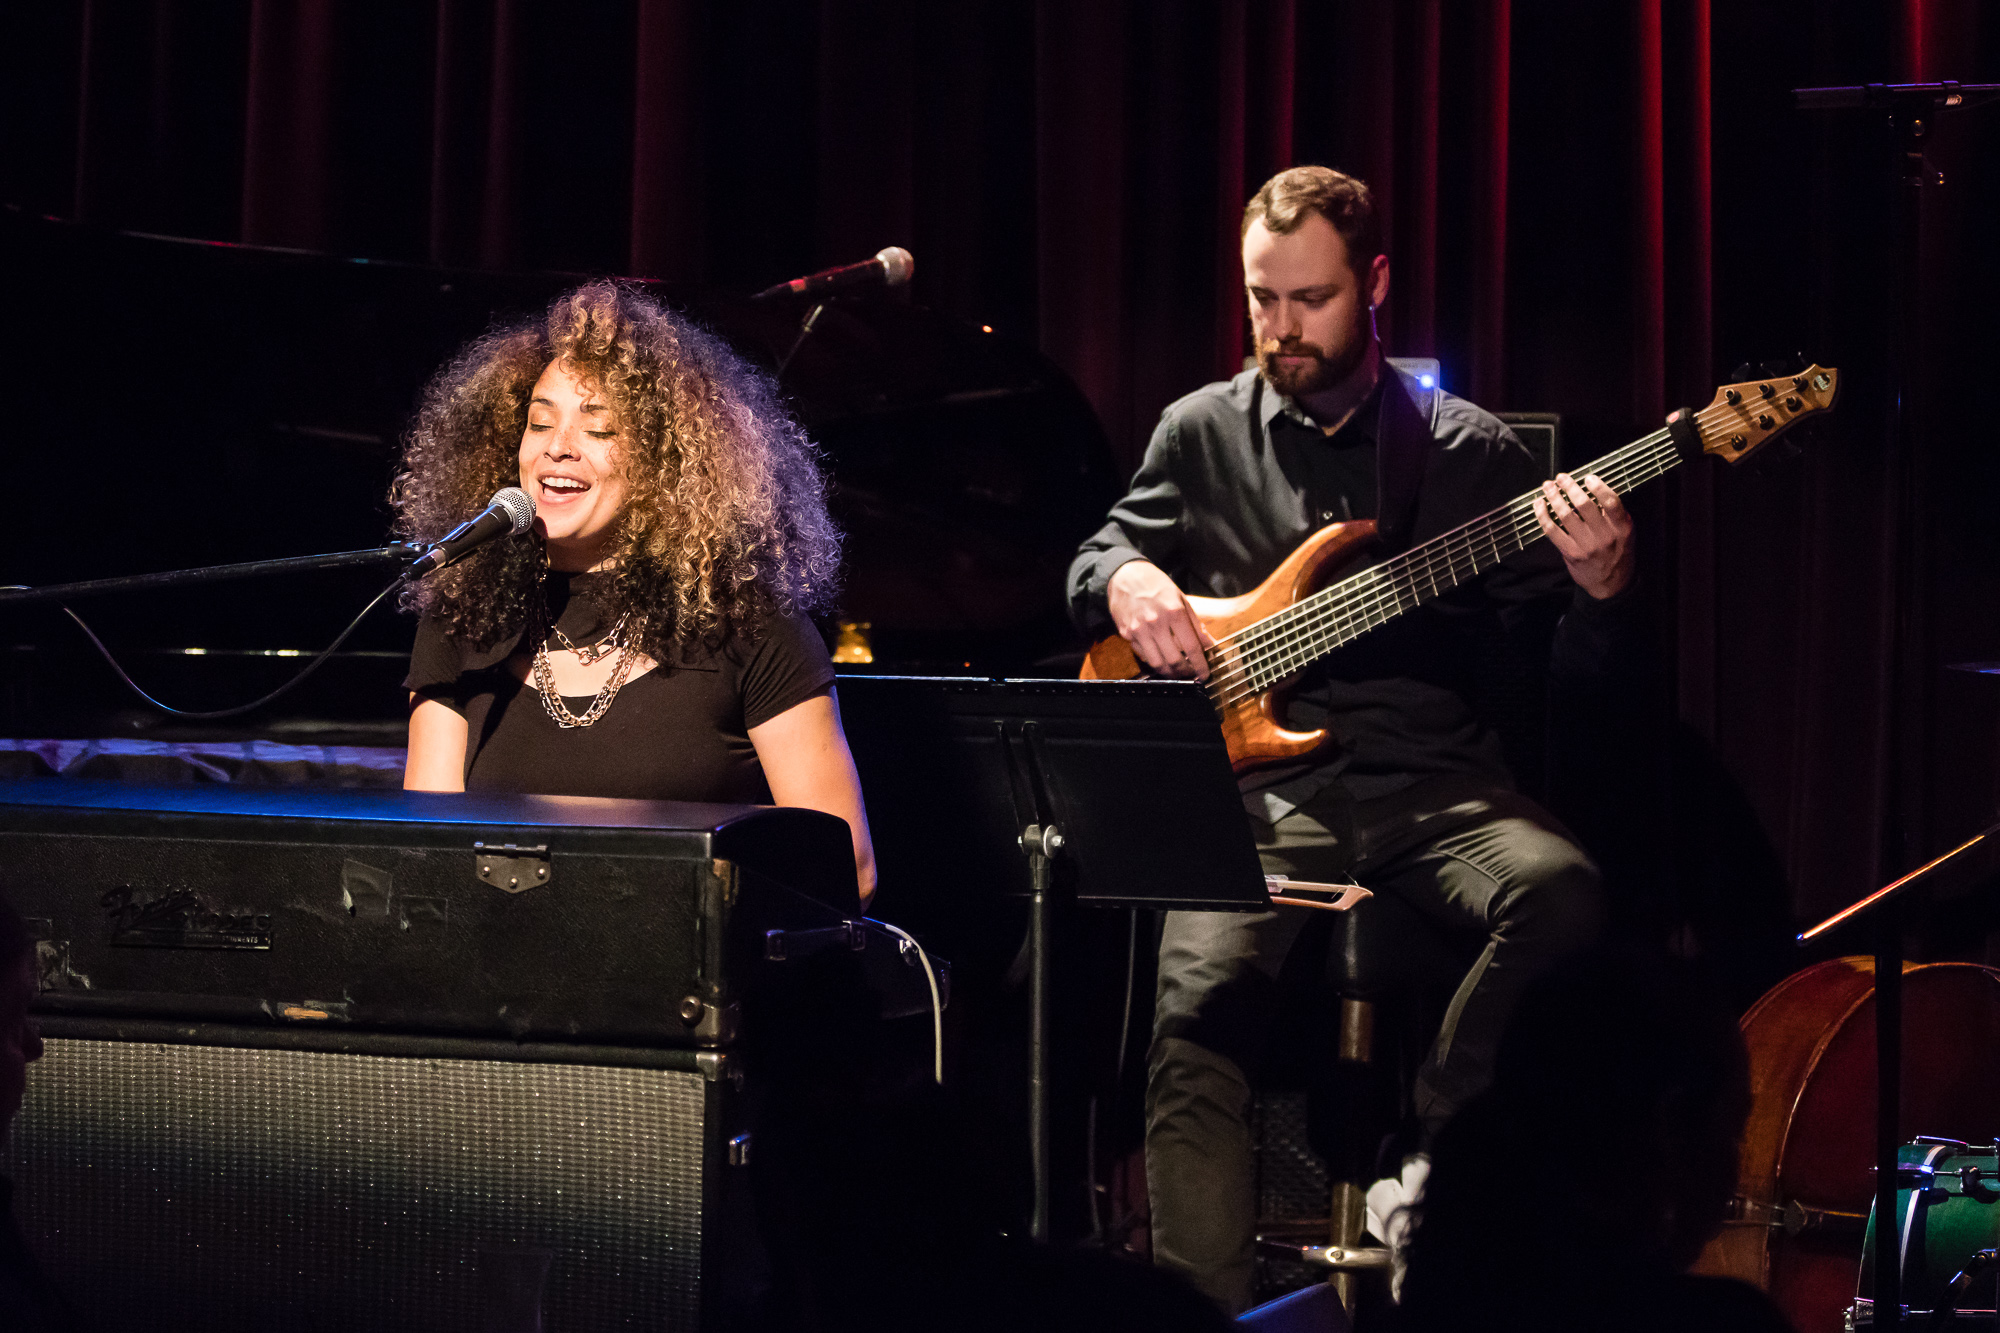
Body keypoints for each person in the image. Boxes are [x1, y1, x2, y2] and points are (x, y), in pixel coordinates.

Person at [1066, 165, 1644, 1314]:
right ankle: (1203, 1310)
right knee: (1191, 1020)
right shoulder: (1197, 432)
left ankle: (1434, 1156)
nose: (1279, 330)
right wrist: (1126, 579)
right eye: (1259, 300)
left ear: (1373, 282)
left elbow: (1576, 687)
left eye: (1309, 300)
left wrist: (1602, 588)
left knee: (1565, 894)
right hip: (1262, 801)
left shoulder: (1472, 456)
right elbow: (1093, 560)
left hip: (1434, 787)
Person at [397, 281, 876, 904]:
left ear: (664, 464)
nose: (556, 447)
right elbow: (422, 859)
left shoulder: (749, 624)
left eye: (599, 430)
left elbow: (845, 872)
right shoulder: (463, 616)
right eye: (539, 422)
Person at [1394, 948, 1791, 1333]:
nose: (1736, 1178)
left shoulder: (1447, 1301)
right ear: (1671, 1125)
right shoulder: (1723, 1321)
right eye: (1734, 1128)